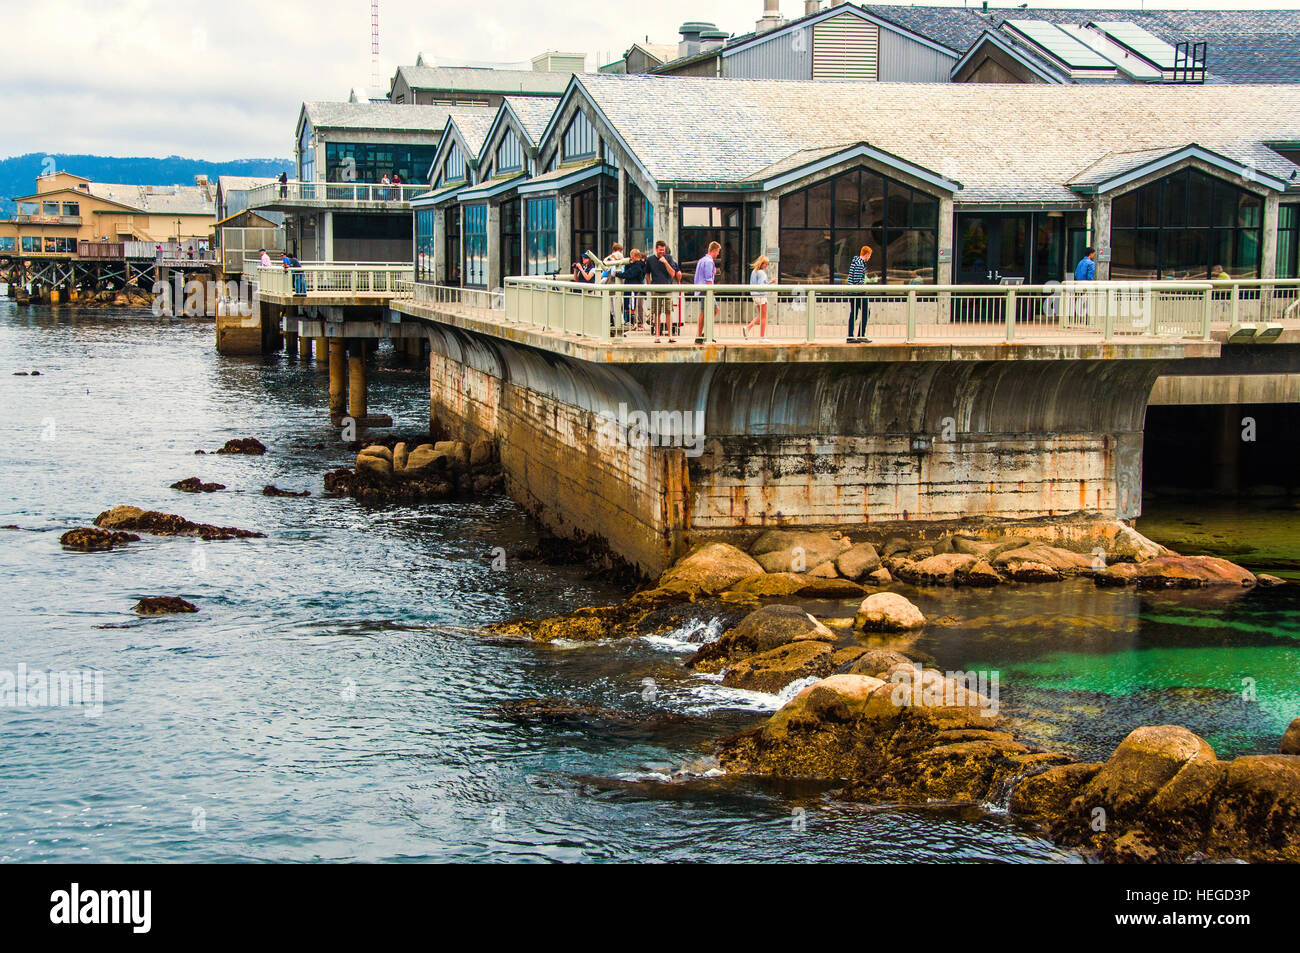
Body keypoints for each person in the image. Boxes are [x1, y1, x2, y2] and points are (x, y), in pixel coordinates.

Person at [647, 240, 680, 342]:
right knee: (656, 313)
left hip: (667, 288)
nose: (662, 252)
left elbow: (673, 273)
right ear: (656, 249)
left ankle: (670, 335)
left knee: (668, 311)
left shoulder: (669, 258)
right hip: (655, 289)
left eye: (663, 250)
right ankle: (657, 336)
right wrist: (649, 285)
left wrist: (665, 262)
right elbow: (647, 273)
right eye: (660, 250)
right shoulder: (650, 259)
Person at [692, 240, 720, 343]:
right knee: (707, 312)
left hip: (701, 289)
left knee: (711, 310)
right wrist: (711, 291)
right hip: (706, 290)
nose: (718, 254)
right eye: (718, 252)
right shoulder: (709, 261)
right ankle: (700, 335)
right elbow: (708, 279)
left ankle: (704, 333)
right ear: (714, 250)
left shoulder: (702, 260)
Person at [847, 244, 873, 343]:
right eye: (869, 255)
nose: (869, 257)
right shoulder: (860, 263)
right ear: (866, 254)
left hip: (853, 292)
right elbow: (857, 280)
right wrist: (866, 282)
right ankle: (860, 335)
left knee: (854, 313)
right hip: (858, 293)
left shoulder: (855, 262)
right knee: (865, 312)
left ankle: (851, 336)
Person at [744, 255, 772, 339]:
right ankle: (762, 337)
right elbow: (761, 285)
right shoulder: (761, 273)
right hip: (761, 295)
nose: (766, 266)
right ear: (762, 263)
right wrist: (769, 284)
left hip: (754, 295)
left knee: (760, 315)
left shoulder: (754, 272)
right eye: (766, 264)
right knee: (764, 317)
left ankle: (748, 328)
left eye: (767, 264)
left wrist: (769, 282)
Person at [621, 248, 648, 329]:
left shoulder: (638, 265)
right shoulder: (639, 265)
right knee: (636, 305)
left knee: (636, 305)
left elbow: (629, 274)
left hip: (635, 288)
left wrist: (618, 274)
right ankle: (636, 322)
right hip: (637, 287)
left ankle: (638, 323)